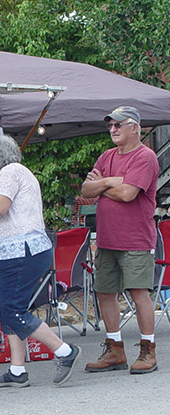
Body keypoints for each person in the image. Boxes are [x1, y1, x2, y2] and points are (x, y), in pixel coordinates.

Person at [0, 132, 81, 387]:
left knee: (11, 310)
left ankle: (65, 351)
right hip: (22, 251)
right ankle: (17, 370)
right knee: (12, 307)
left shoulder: (11, 173)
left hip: (22, 250)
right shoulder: (19, 173)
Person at [81, 106, 159, 374]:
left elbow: (128, 194)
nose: (112, 129)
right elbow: (85, 189)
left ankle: (148, 350)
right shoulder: (107, 156)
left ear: (134, 127)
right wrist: (111, 182)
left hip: (136, 239)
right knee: (105, 292)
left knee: (139, 294)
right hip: (106, 240)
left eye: (118, 125)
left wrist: (103, 185)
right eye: (110, 126)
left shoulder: (145, 157)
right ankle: (115, 349)